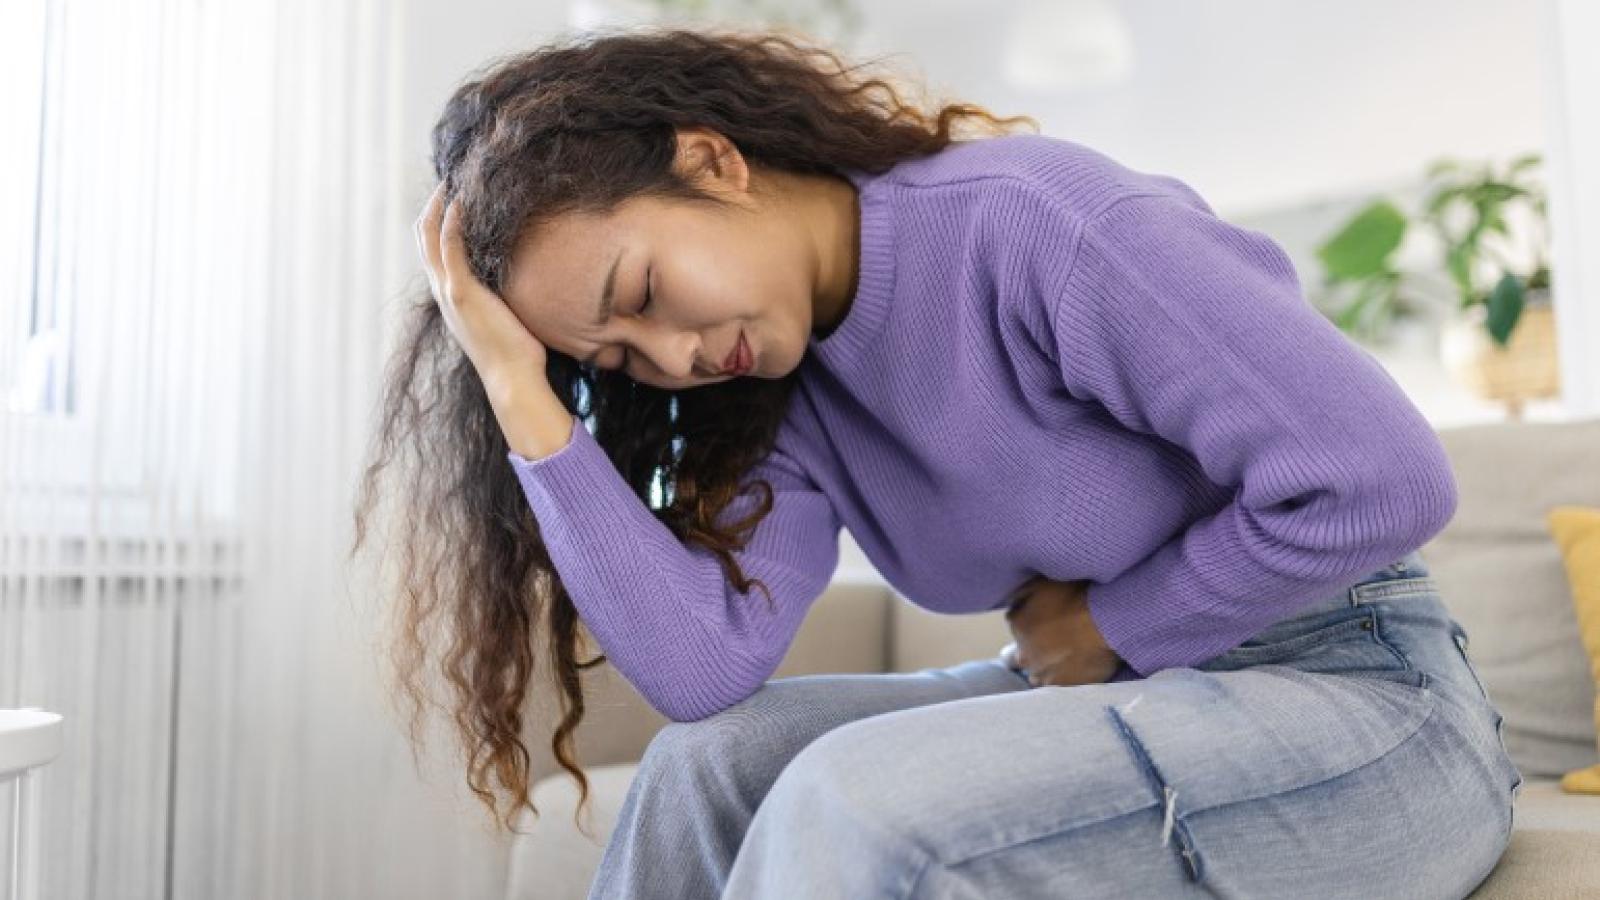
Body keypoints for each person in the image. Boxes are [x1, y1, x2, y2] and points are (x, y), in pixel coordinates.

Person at [356, 25, 1522, 899]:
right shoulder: (779, 390)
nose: (671, 356)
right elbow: (702, 673)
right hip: (1101, 696)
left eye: (646, 294)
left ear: (712, 161)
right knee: (705, 766)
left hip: (1361, 696)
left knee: (851, 800)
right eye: (615, 358)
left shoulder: (1033, 224)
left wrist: (1121, 621)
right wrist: (524, 396)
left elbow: (1383, 479)